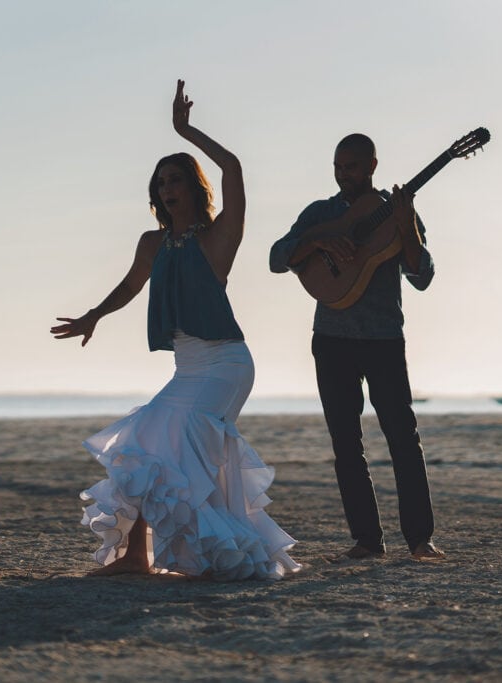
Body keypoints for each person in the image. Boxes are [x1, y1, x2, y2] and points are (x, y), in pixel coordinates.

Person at [52, 81, 299, 580]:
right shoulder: (152, 243)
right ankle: (138, 557)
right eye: (160, 182)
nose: (167, 188)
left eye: (176, 179)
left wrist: (187, 131)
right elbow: (129, 286)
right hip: (186, 365)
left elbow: (233, 169)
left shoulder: (218, 237)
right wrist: (95, 315)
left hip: (226, 364)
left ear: (192, 186)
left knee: (176, 442)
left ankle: (188, 552)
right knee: (147, 442)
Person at [269, 133, 445, 561]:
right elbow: (278, 257)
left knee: (403, 438)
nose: (344, 173)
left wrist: (407, 229)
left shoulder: (399, 210)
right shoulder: (320, 213)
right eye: (338, 166)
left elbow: (422, 276)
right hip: (331, 340)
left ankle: (421, 540)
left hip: (384, 338)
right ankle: (367, 541)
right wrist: (316, 242)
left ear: (372, 165)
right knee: (346, 444)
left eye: (351, 166)